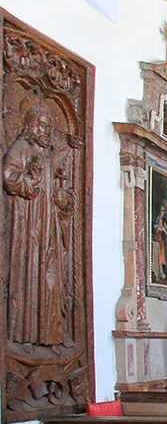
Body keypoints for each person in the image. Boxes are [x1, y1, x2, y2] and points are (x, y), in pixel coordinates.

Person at [3, 105, 72, 353]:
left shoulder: (52, 158)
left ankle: (51, 335)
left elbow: (60, 194)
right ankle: (25, 336)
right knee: (30, 277)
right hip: (29, 227)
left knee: (52, 280)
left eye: (49, 127)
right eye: (42, 126)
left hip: (50, 226)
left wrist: (62, 199)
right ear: (32, 126)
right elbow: (10, 178)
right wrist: (31, 180)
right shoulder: (21, 149)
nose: (45, 131)